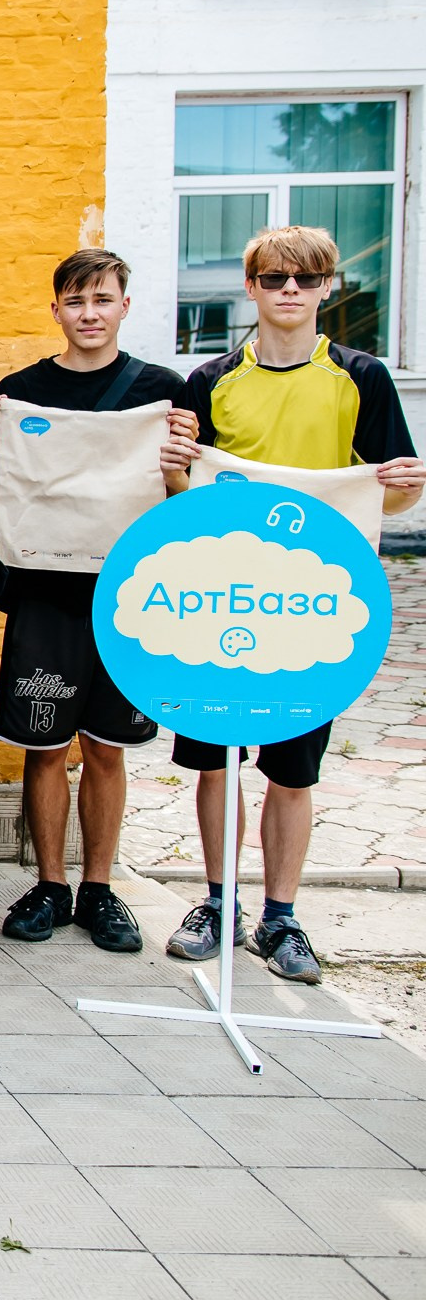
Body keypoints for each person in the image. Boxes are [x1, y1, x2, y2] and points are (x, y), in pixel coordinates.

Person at [163, 225, 424, 983]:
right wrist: (178, 469)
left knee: (292, 768)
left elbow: (394, 492)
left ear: (325, 289)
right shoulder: (209, 381)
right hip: (218, 597)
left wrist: (407, 481)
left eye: (305, 280)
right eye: (273, 278)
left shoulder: (360, 376)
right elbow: (185, 496)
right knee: (217, 759)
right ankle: (218, 901)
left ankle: (280, 916)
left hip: (313, 604)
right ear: (250, 286)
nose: (288, 291)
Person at [0, 250, 193, 954]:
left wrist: (181, 470)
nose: (90, 313)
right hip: (45, 595)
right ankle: (50, 884)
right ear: (56, 311)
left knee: (106, 749)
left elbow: (183, 505)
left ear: (125, 306)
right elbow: (4, 494)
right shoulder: (24, 390)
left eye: (102, 299)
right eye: (76, 301)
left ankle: (101, 889)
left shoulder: (163, 391)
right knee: (43, 747)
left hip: (131, 600)